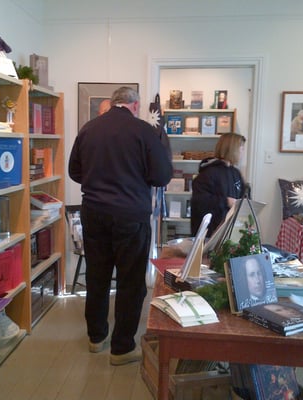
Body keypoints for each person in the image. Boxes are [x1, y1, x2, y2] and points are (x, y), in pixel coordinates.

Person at [68, 86, 173, 366]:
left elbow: (74, 171)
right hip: (130, 215)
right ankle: (122, 347)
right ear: (135, 105)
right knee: (130, 282)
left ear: (113, 103)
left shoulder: (89, 129)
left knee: (97, 277)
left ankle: (96, 337)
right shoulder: (144, 132)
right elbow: (162, 175)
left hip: (94, 212)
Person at [190, 132, 246, 237]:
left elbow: (243, 196)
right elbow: (200, 202)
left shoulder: (235, 173)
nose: (243, 152)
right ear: (232, 149)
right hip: (211, 233)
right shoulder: (208, 173)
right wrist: (226, 201)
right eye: (241, 148)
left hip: (230, 231)